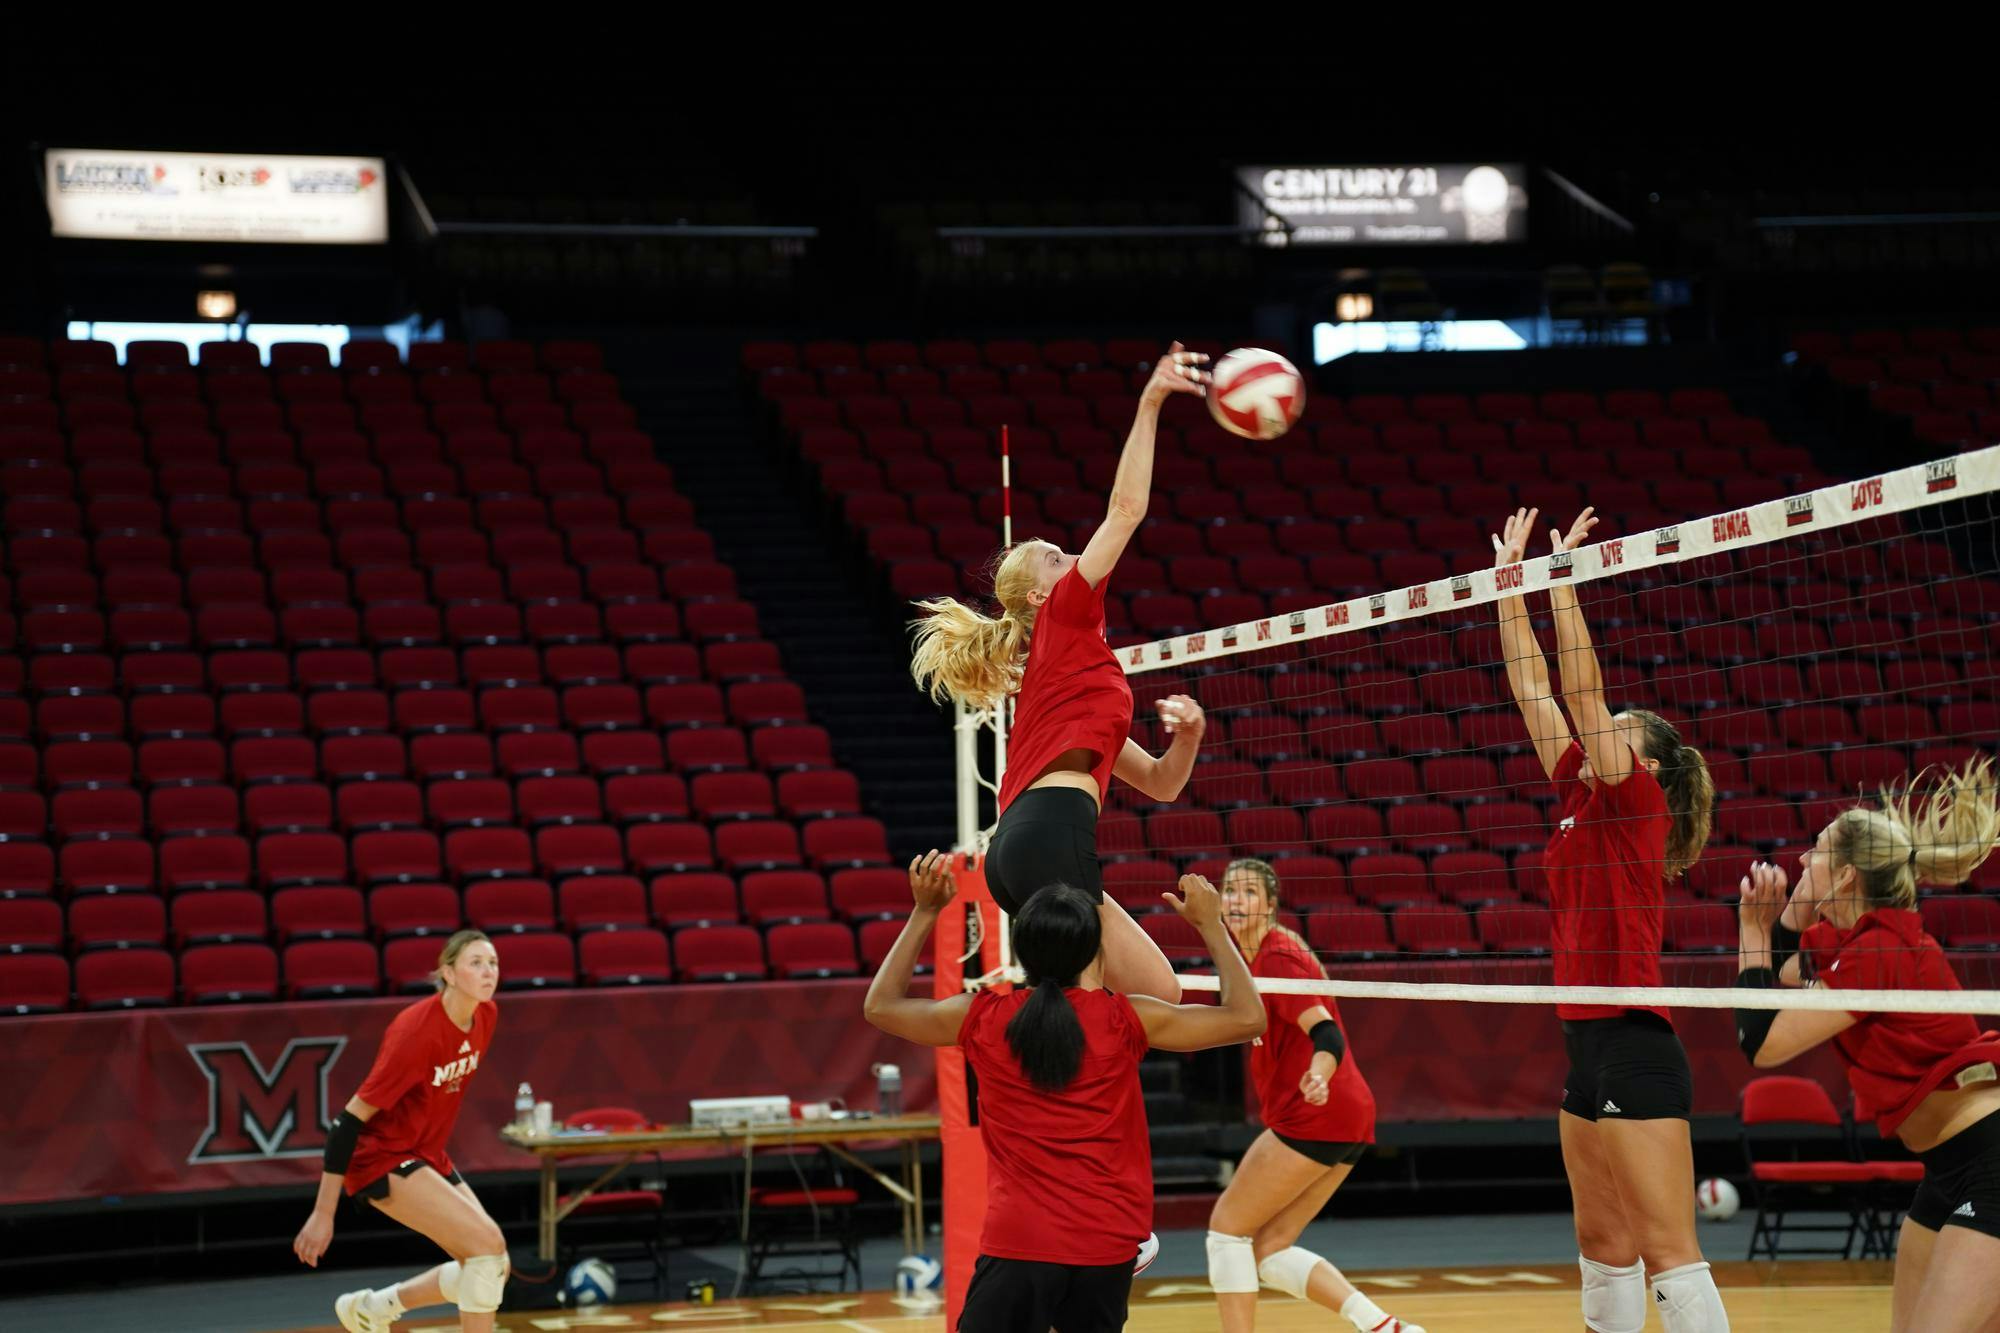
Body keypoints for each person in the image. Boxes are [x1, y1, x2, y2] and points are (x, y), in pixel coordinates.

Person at [908, 342, 1213, 1003]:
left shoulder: (1071, 669)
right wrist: (1152, 399)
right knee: (1122, 1009)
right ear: (1043, 595)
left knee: (1151, 993)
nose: (1067, 555)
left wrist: (1188, 736)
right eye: (1052, 557)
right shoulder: (1066, 616)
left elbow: (1160, 783)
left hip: (1020, 849)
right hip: (1049, 833)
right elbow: (1126, 512)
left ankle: (1035, 1093)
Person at [1490, 505, 1726, 1332]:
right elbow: (1532, 686)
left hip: (1636, 1042)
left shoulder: (1633, 801)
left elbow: (1581, 691)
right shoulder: (1577, 792)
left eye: (1619, 733)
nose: (1599, 733)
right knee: (1601, 1243)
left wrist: (1563, 582)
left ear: (1648, 763)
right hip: (1582, 1045)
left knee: (1667, 1248)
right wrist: (1509, 583)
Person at [864, 852, 1265, 1333]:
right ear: (1095, 951)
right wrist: (1211, 926)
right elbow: (1248, 1018)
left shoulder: (982, 1016)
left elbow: (881, 1006)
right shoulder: (1126, 1018)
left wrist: (926, 911)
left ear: (1022, 951)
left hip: (1019, 1242)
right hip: (1106, 1244)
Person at [1735, 757, 2000, 1333]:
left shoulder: (1880, 951)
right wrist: (1782, 926)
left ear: (1849, 874)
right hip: (1946, 1169)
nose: (1803, 859)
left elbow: (1761, 1044)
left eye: (1819, 850)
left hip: (1991, 1161)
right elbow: (1783, 991)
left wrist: (1755, 933)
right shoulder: (1853, 947)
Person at [1207, 858, 1423, 1333]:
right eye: (1229, 891)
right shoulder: (1254, 957)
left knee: (1227, 1231)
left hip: (1316, 1111)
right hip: (1345, 1114)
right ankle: (1384, 1327)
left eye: (1246, 893)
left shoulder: (1277, 958)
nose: (1235, 901)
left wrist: (1319, 1075)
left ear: (1270, 906)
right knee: (1269, 1249)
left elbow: (1328, 1036)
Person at [292, 930, 505, 1333]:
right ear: (449, 973)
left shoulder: (486, 1015)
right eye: (475, 962)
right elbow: (346, 1123)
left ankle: (374, 1308)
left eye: (493, 963)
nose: (488, 971)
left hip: (425, 1151)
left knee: (495, 1264)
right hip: (381, 1157)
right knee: (487, 1250)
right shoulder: (415, 1031)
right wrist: (323, 1213)